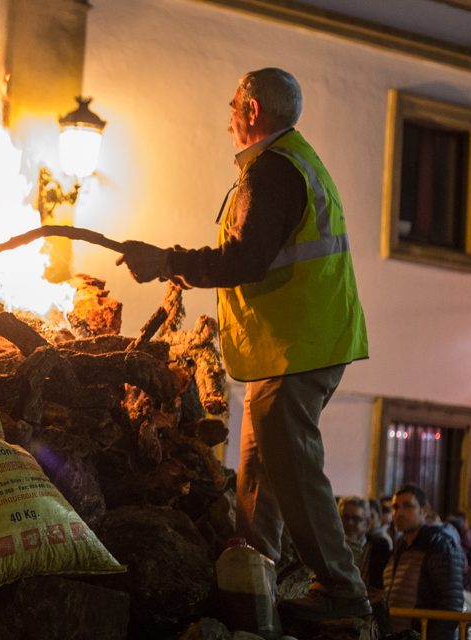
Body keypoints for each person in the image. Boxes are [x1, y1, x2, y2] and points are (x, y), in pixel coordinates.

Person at [117, 67, 369, 622]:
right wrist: (177, 264)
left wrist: (168, 262)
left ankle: (343, 593)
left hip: (300, 345)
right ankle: (253, 589)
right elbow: (249, 255)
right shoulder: (289, 163)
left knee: (295, 468)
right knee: (259, 469)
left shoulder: (273, 171)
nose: (227, 114)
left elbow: (244, 260)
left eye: (233, 103)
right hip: (295, 344)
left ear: (253, 111)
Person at [383, 484, 463, 639]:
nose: (399, 513)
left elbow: (451, 604)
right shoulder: (401, 545)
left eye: (407, 506)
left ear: (424, 510)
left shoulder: (440, 544)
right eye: (395, 507)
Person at [338, 495, 390, 589]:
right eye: (345, 517)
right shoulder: (329, 545)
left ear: (367, 523)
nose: (349, 522)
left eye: (356, 519)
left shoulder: (378, 549)